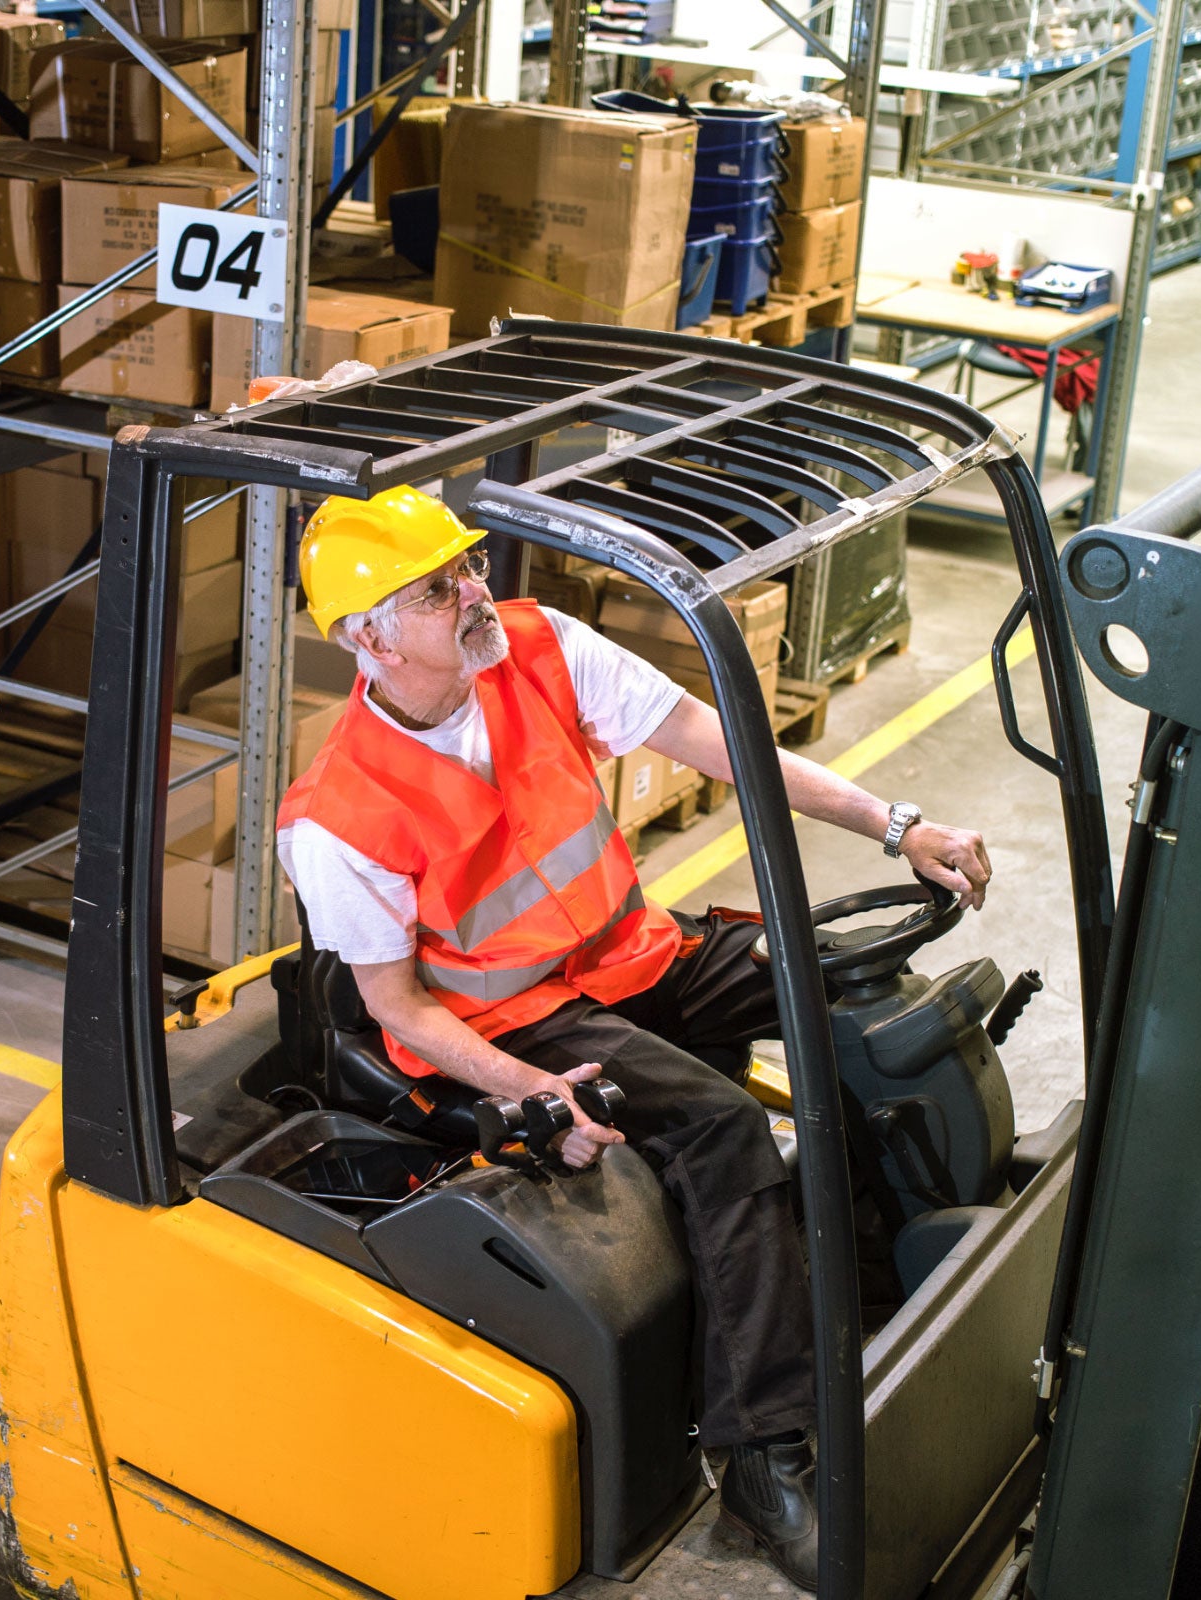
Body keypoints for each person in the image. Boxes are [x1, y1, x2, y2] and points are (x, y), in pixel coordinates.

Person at [274, 485, 993, 1592]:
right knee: (718, 1126)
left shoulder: (535, 644)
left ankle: (878, 1262)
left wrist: (898, 825)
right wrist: (532, 1091)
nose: (475, 592)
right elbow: (400, 1008)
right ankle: (761, 1452)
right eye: (437, 588)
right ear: (367, 637)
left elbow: (716, 741)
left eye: (467, 566)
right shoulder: (335, 814)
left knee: (843, 994)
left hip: (634, 953)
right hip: (522, 1019)